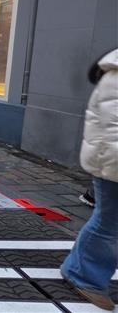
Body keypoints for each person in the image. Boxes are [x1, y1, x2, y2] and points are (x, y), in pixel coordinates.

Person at [61, 48, 118, 311]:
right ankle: (84, 276)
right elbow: (113, 130)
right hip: (111, 164)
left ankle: (80, 270)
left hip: (109, 159)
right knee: (109, 223)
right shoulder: (115, 76)